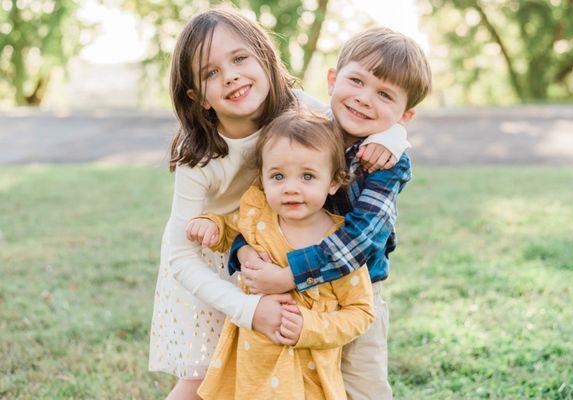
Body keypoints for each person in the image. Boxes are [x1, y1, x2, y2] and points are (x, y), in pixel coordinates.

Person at [148, 8, 407, 399]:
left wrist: (394, 137)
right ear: (196, 96)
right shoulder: (197, 154)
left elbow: (359, 119)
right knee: (208, 377)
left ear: (264, 58)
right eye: (210, 72)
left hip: (288, 246)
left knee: (292, 370)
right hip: (215, 256)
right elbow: (182, 254)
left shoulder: (301, 110)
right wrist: (247, 304)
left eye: (239, 59)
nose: (231, 75)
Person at [227, 27, 432, 399]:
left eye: (384, 95)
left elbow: (362, 238)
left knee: (361, 384)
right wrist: (241, 251)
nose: (364, 99)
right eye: (356, 81)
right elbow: (263, 206)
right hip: (296, 296)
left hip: (355, 294)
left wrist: (290, 275)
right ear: (333, 80)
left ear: (405, 115)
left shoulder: (388, 163)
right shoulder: (310, 133)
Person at [188, 110, 375, 399]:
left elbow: (361, 313)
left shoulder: (338, 245)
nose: (291, 188)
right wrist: (210, 225)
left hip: (307, 376)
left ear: (334, 181)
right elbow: (229, 229)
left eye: (308, 176)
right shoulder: (258, 216)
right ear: (262, 179)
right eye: (278, 176)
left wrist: (310, 326)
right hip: (254, 366)